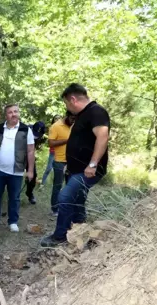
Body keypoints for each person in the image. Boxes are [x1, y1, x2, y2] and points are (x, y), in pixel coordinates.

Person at [42, 84, 110, 247]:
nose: (67, 107)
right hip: (76, 169)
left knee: (64, 197)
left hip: (89, 169)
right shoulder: (82, 115)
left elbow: (103, 137)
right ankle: (80, 229)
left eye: (66, 103)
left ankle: (60, 236)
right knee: (77, 199)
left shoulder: (96, 111)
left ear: (73, 99)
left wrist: (93, 164)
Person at [0, 104, 35, 232]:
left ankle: (13, 222)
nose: (13, 114)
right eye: (10, 112)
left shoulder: (26, 130)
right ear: (6, 115)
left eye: (15, 111)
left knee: (14, 197)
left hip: (17, 170)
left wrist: (30, 170)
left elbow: (31, 151)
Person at [48, 111, 75, 216]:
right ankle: (55, 209)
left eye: (75, 119)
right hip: (60, 161)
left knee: (71, 186)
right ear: (67, 116)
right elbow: (51, 143)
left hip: (72, 161)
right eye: (72, 119)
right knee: (57, 186)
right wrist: (67, 140)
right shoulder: (56, 126)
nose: (73, 121)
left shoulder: (76, 125)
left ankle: (68, 208)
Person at [24, 121, 46, 204]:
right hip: (18, 155)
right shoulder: (24, 130)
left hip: (29, 156)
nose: (35, 136)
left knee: (33, 175)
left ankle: (29, 194)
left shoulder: (40, 136)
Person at [40, 115, 63, 187]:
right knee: (49, 168)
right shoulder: (52, 128)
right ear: (53, 120)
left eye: (59, 119)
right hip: (53, 152)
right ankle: (42, 184)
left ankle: (58, 185)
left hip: (61, 153)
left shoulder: (64, 129)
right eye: (56, 119)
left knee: (60, 171)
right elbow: (51, 142)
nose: (57, 120)